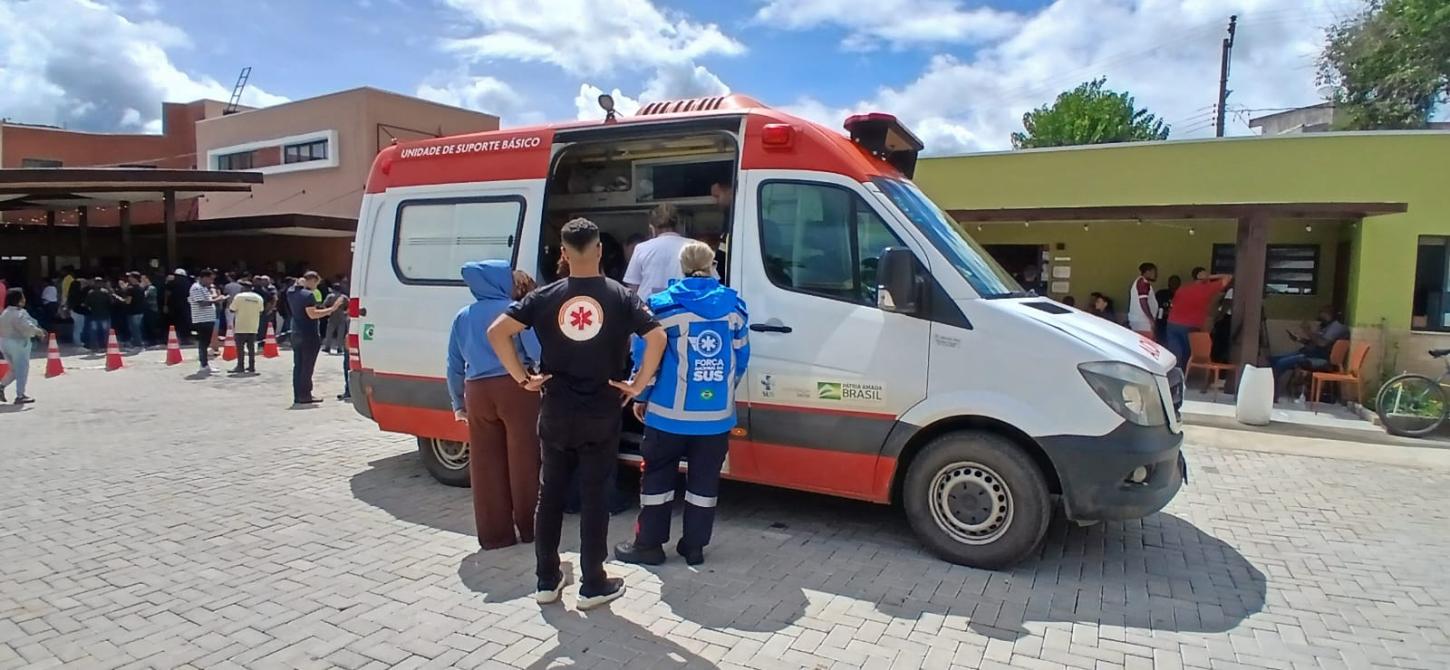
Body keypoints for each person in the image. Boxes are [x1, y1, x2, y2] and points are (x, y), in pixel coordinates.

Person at [486, 218, 666, 610]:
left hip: (555, 409)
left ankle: (547, 580)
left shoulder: (546, 296)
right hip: (601, 411)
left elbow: (497, 332)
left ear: (563, 254)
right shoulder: (621, 297)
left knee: (549, 495)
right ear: (600, 249)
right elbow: (658, 336)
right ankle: (593, 583)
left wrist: (522, 378)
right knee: (594, 497)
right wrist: (637, 384)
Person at [615, 241, 749, 567]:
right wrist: (720, 392)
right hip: (716, 418)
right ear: (712, 264)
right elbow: (741, 357)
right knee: (704, 483)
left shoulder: (661, 307)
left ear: (681, 267)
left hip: (666, 415)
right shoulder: (735, 307)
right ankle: (694, 548)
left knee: (658, 479)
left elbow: (645, 356)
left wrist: (642, 395)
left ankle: (649, 546)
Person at [447, 261, 544, 550]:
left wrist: (457, 403)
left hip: (476, 393)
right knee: (524, 460)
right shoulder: (514, 310)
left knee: (485, 464)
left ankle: (494, 535)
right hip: (516, 388)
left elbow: (453, 364)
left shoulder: (462, 316)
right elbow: (536, 352)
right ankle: (530, 528)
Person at [624, 204, 716, 299]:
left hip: (650, 309)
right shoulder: (696, 247)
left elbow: (633, 287)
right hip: (686, 308)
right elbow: (713, 282)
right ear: (679, 225)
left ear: (651, 228)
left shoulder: (641, 248)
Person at [1270, 306, 1350, 401]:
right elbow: (1314, 343)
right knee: (1272, 360)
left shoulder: (1337, 327)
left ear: (1331, 314)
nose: (1320, 315)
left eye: (1323, 312)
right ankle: (1270, 390)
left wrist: (1308, 331)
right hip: (1308, 353)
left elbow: (1322, 343)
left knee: (1280, 363)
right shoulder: (1325, 326)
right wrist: (1299, 339)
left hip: (1319, 358)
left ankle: (1272, 395)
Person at [287, 271, 342, 404]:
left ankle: (298, 395)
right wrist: (332, 309)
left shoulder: (291, 292)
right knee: (307, 367)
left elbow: (295, 285)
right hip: (308, 334)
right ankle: (305, 395)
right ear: (312, 280)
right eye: (316, 283)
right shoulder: (308, 295)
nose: (316, 286)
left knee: (298, 366)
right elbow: (312, 314)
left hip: (295, 332)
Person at [1165, 267, 1233, 370]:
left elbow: (1173, 304)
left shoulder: (1183, 288)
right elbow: (1228, 277)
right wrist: (1209, 277)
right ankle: (1183, 378)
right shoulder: (1208, 288)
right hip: (1190, 325)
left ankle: (1172, 377)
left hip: (1172, 324)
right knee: (1188, 355)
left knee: (1174, 354)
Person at [0, 288, 46, 405]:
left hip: (4, 342)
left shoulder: (5, 313)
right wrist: (39, 332)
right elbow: (27, 327)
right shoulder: (19, 313)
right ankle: (20, 395)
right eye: (23, 297)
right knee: (22, 370)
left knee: (13, 369)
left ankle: (1, 386)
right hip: (18, 343)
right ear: (19, 300)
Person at [188, 270, 225, 372]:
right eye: (211, 279)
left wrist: (216, 298)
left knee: (206, 342)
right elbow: (201, 303)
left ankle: (205, 364)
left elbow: (208, 300)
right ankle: (203, 365)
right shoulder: (196, 288)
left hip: (208, 318)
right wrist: (216, 300)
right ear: (204, 277)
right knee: (203, 343)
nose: (211, 281)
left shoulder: (204, 288)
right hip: (202, 319)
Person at [228, 281, 265, 374]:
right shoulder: (258, 298)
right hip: (253, 326)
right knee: (251, 348)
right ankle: (252, 366)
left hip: (241, 326)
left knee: (240, 348)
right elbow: (261, 311)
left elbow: (232, 309)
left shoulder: (239, 297)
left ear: (242, 288)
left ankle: (240, 366)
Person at [83, 277, 117, 350]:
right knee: (106, 332)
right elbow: (111, 302)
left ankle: (94, 346)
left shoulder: (90, 293)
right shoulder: (106, 292)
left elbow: (86, 304)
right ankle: (106, 346)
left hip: (94, 315)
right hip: (105, 315)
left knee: (93, 332)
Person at [1127, 262, 1158, 340]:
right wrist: (1151, 319)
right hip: (1143, 322)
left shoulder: (1139, 282)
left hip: (1139, 321)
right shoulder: (1143, 283)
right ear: (1147, 272)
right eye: (1154, 272)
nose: (1156, 274)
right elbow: (1143, 302)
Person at [322, 281, 349, 354]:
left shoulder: (330, 296)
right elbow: (349, 306)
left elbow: (324, 305)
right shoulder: (344, 297)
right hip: (342, 317)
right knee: (340, 334)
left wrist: (328, 311)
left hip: (332, 316)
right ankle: (339, 348)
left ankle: (327, 347)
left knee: (329, 333)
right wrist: (345, 312)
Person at [123, 273, 147, 349]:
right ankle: (139, 342)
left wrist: (121, 299)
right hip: (140, 311)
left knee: (134, 329)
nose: (129, 278)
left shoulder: (130, 289)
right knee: (139, 328)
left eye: (130, 277)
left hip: (132, 312)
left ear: (134, 278)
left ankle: (138, 344)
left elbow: (128, 301)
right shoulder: (141, 288)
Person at [1155, 274, 1181, 342]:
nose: (1174, 284)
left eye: (1176, 282)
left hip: (1177, 324)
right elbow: (1155, 308)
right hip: (1162, 323)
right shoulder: (1161, 293)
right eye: (1172, 282)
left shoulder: (1183, 295)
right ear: (1168, 283)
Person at [67, 276, 89, 348]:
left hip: (74, 311)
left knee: (77, 327)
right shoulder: (78, 294)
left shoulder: (71, 294)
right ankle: (78, 342)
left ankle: (78, 341)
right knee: (79, 328)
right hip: (78, 312)